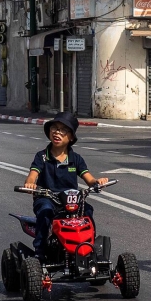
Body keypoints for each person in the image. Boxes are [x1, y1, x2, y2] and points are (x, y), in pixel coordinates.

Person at [22, 112, 108, 261]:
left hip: (71, 200)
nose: (57, 132)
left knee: (87, 211)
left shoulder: (75, 159)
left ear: (71, 137)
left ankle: (88, 247)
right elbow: (33, 174)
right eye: (54, 128)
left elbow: (89, 179)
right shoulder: (41, 156)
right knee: (45, 211)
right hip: (47, 198)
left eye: (63, 130)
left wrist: (97, 182)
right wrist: (30, 183)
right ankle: (40, 249)